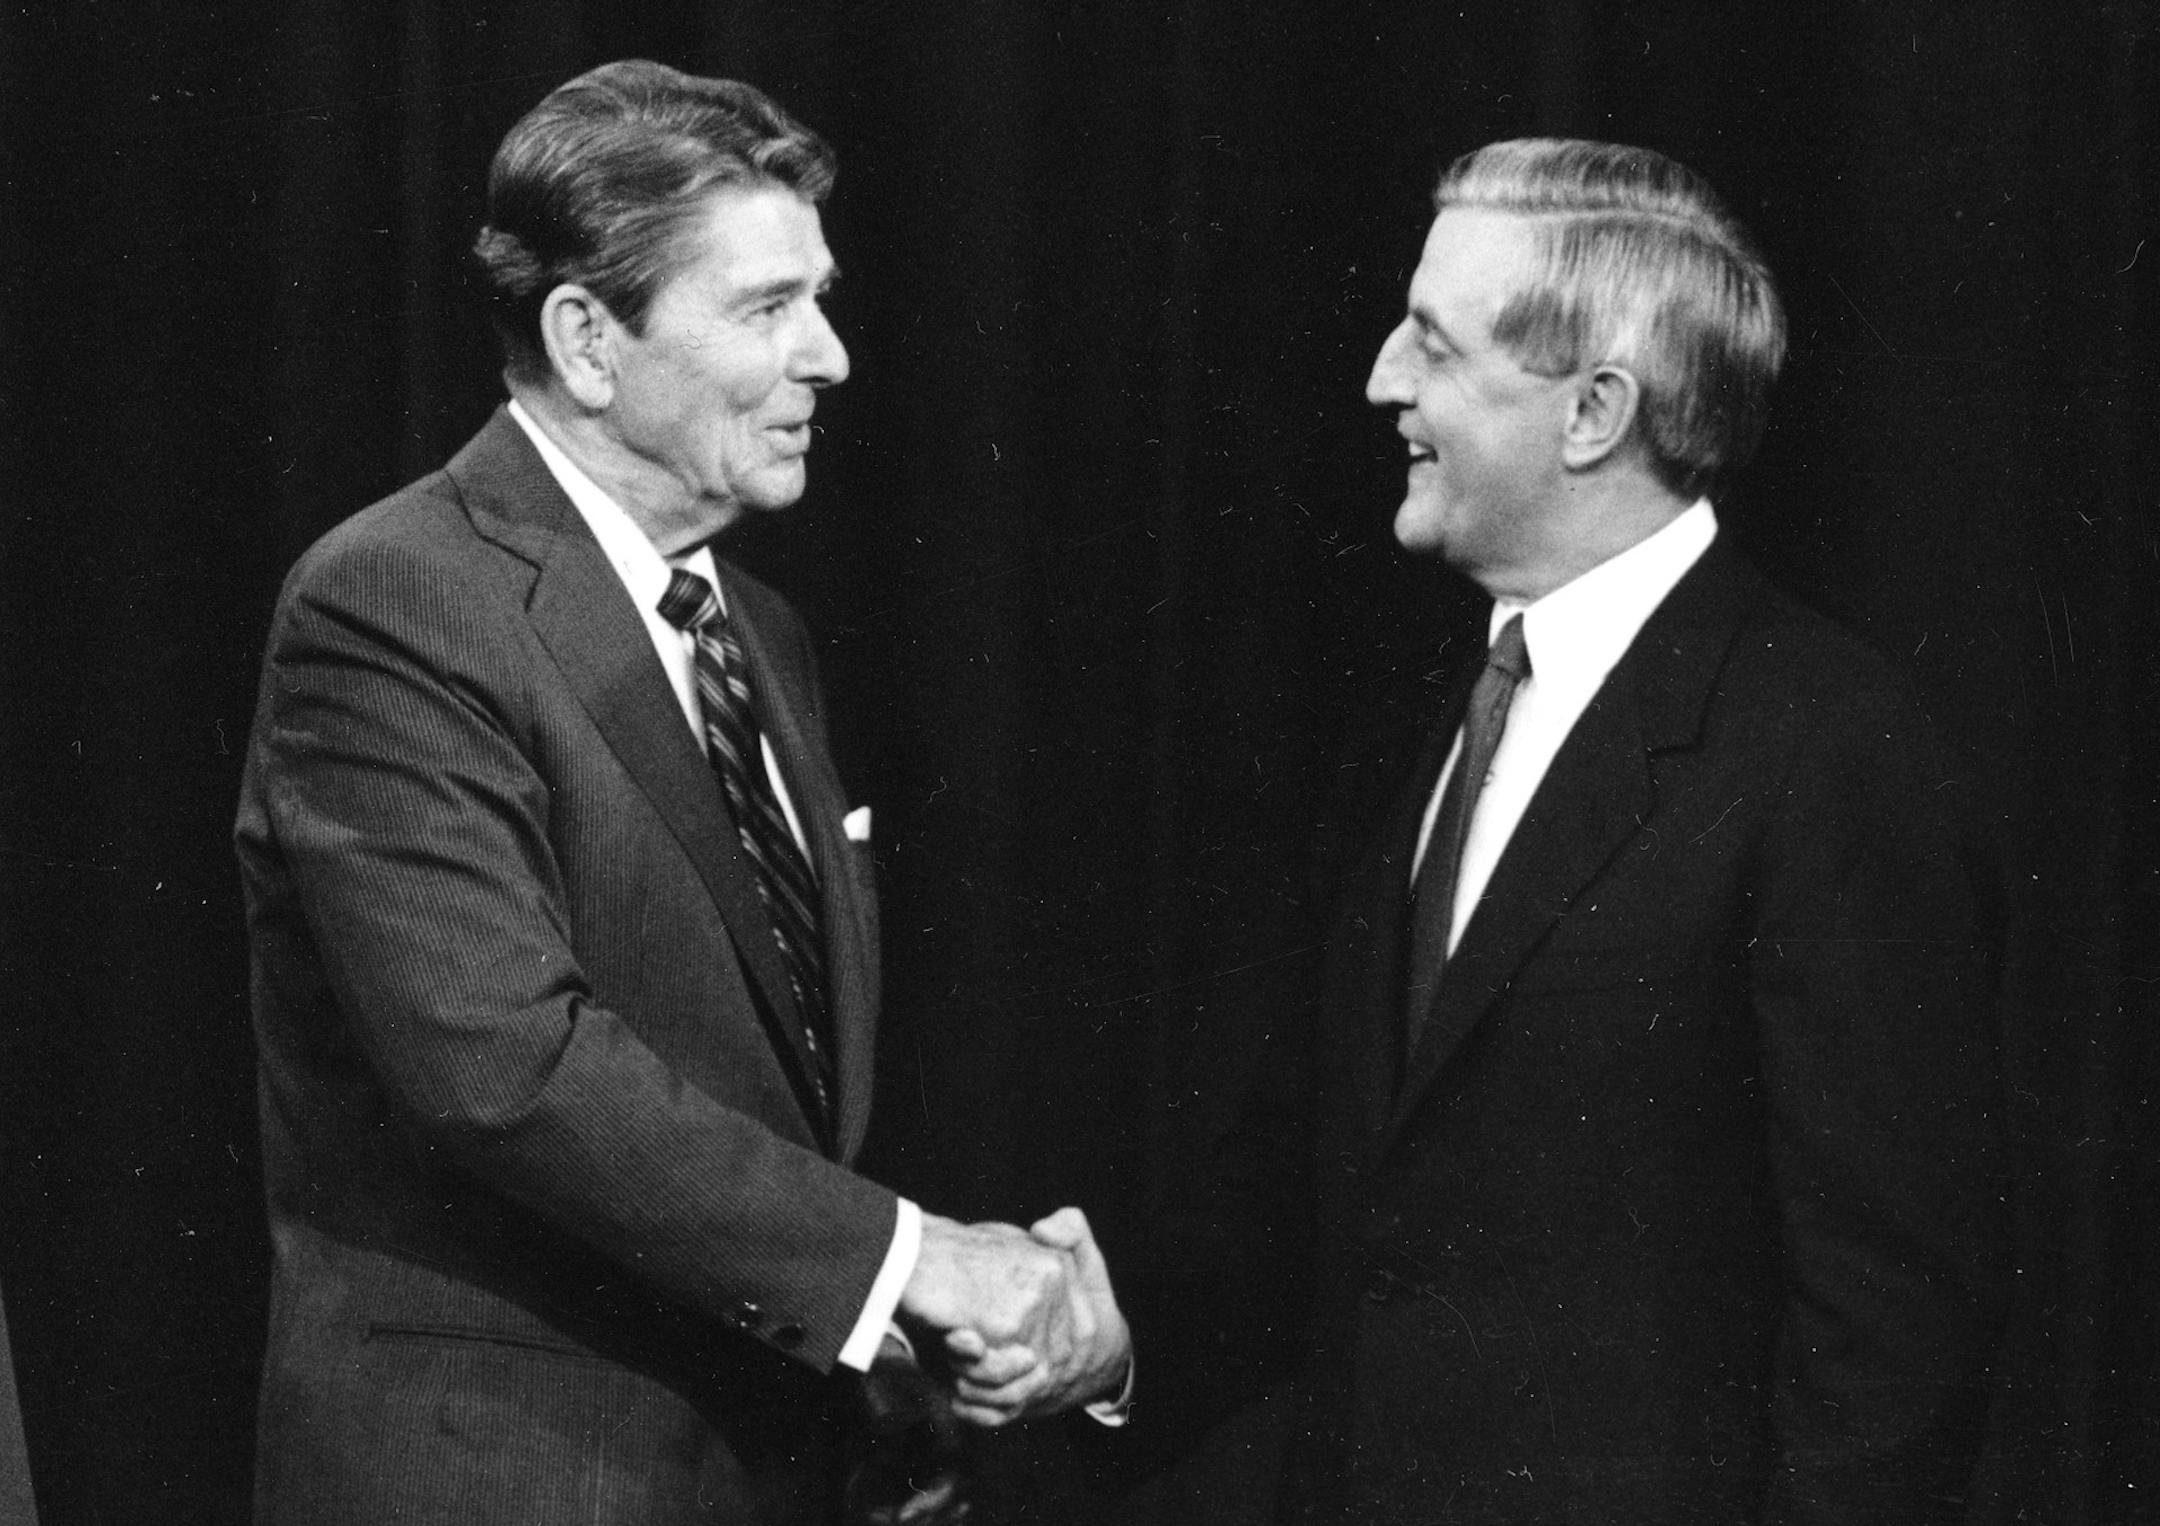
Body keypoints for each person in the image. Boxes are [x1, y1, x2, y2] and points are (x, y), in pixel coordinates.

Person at [235, 60, 1127, 1526]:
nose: (832, 355)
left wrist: (877, 1349)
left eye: (819, 298)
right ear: (587, 341)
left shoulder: (756, 633)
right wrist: (913, 1263)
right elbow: (502, 1063)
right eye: (768, 307)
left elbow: (753, 1086)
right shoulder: (394, 599)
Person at [1274, 139, 2005, 1522]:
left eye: (1432, 343)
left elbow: (1893, 1346)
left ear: (1595, 410)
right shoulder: (1434, 720)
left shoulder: (1833, 748)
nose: (1384, 381)